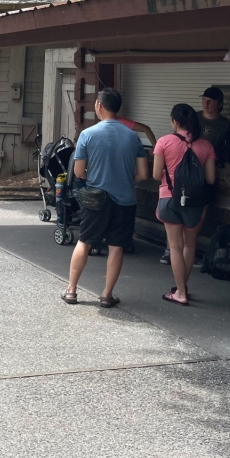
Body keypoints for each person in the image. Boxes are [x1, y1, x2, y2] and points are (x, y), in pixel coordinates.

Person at [62, 88, 149, 307]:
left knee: (84, 241)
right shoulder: (132, 137)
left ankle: (71, 291)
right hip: (125, 200)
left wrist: (98, 176)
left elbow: (79, 171)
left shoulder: (88, 134)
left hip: (96, 199)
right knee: (116, 246)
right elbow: (143, 174)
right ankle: (107, 295)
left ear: (99, 105)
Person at [153, 104, 217, 307]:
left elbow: (155, 175)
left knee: (175, 246)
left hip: (169, 198)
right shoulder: (206, 145)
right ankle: (182, 287)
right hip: (195, 201)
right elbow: (210, 178)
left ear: (174, 121)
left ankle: (180, 292)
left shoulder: (164, 142)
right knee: (190, 245)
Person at [199, 87, 230, 158]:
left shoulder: (226, 125)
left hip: (214, 162)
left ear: (219, 104)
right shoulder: (193, 117)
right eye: (204, 99)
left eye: (211, 101)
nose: (206, 103)